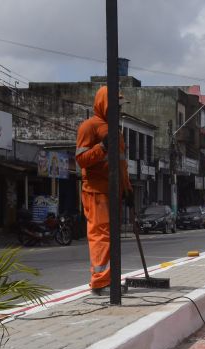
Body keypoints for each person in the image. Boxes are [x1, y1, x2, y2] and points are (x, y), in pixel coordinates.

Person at [75, 86, 133, 295]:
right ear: (104, 104)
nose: (118, 110)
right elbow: (81, 159)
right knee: (101, 236)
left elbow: (121, 164)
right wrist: (102, 147)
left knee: (111, 237)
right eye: (115, 105)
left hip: (113, 191)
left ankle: (111, 280)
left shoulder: (115, 131)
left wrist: (127, 189)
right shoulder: (89, 127)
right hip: (96, 191)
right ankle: (100, 283)